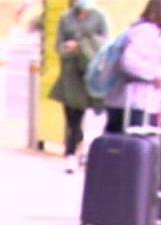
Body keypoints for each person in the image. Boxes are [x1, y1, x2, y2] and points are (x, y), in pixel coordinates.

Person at [50, 0, 109, 173]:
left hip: (89, 72)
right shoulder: (66, 18)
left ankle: (73, 152)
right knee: (71, 116)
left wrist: (83, 45)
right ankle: (74, 149)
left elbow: (105, 44)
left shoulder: (99, 17)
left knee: (83, 114)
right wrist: (68, 48)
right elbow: (58, 46)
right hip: (70, 73)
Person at [104, 0, 161, 134]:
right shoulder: (146, 31)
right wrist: (155, 75)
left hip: (139, 104)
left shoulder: (150, 31)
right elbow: (129, 62)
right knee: (129, 149)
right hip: (134, 104)